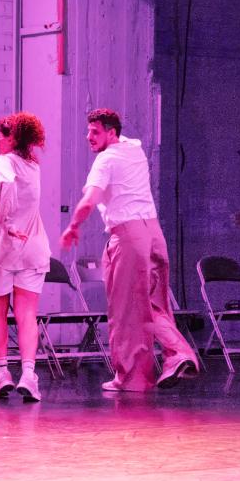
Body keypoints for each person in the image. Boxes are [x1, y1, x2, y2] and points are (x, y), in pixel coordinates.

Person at [60, 108, 199, 392]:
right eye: (88, 131)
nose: (89, 137)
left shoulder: (106, 160)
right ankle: (170, 360)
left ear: (111, 132)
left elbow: (89, 200)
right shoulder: (134, 149)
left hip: (129, 236)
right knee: (153, 305)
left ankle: (137, 376)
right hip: (154, 234)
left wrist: (73, 226)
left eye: (95, 132)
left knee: (126, 311)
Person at [0, 112, 50, 402]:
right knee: (27, 313)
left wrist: (7, 223)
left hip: (4, 247)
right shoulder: (33, 165)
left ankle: (2, 373)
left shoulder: (2, 162)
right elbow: (12, 189)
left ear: (13, 138)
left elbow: (7, 186)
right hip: (32, 247)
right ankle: (29, 375)